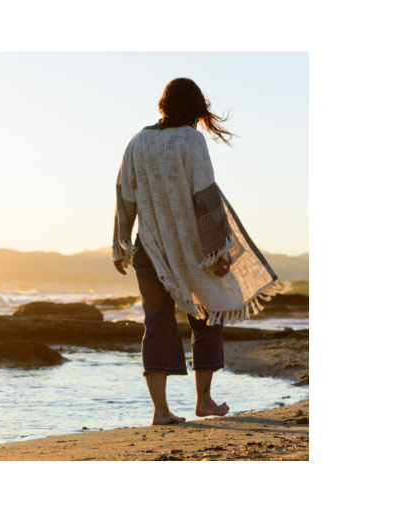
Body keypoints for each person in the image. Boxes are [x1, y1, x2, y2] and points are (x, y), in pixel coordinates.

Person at [111, 78, 289, 425]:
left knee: (157, 323)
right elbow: (205, 196)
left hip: (150, 251)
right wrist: (219, 250)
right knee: (208, 316)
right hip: (194, 251)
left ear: (164, 104)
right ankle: (203, 400)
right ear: (194, 108)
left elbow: (124, 195)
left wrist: (121, 243)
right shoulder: (191, 140)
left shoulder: (137, 142)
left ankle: (160, 412)